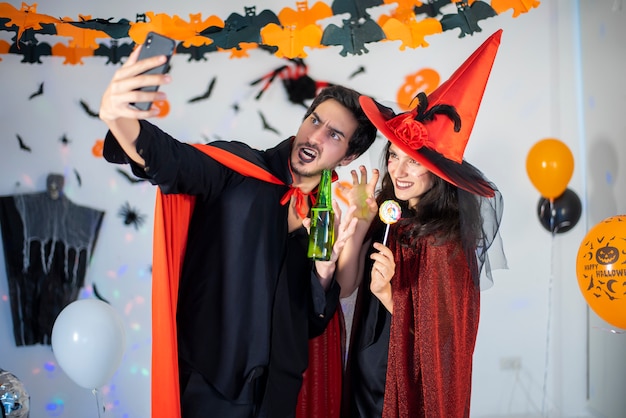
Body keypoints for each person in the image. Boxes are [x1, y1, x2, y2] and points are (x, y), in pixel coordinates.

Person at [98, 43, 377, 418]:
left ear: (348, 158)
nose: (315, 136)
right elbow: (170, 159)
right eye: (314, 121)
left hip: (277, 396)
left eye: (334, 135)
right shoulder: (237, 170)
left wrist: (324, 271)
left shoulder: (321, 216)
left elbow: (312, 323)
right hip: (211, 386)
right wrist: (117, 115)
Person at [336, 30, 507, 417]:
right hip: (365, 372)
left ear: (438, 173)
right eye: (394, 157)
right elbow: (346, 288)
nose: (399, 170)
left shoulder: (445, 243)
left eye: (414, 161)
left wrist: (387, 294)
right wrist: (361, 221)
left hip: (403, 389)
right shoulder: (391, 218)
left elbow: (445, 348)